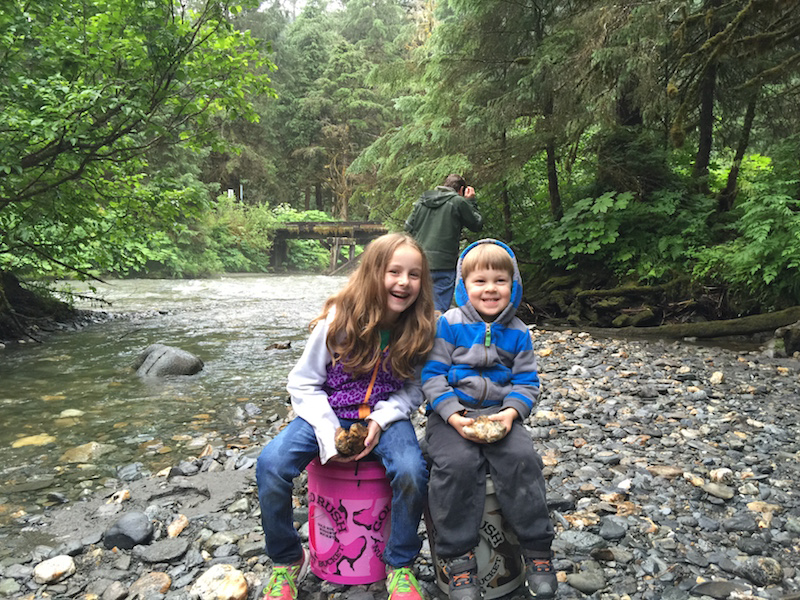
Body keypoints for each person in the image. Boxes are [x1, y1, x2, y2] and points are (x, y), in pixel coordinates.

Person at [255, 233, 437, 600]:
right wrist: (329, 432)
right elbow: (303, 384)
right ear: (372, 273)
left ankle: (399, 564)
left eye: (414, 275)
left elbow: (414, 390)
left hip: (385, 417)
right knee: (270, 464)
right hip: (327, 412)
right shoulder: (338, 322)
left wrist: (381, 420)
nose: (404, 282)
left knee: (412, 472)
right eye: (394, 271)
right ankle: (288, 559)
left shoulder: (420, 328)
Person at [421, 239, 557, 600]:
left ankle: (537, 550)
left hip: (501, 415)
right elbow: (432, 377)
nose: (491, 289)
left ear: (514, 285)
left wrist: (511, 414)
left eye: (500, 280)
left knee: (522, 460)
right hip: (450, 416)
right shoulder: (448, 324)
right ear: (464, 285)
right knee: (457, 464)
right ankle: (459, 560)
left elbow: (527, 383)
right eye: (480, 281)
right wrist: (452, 415)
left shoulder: (519, 332)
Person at [405, 174, 483, 313]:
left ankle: (416, 334)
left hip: (420, 262)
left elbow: (408, 227)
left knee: (416, 308)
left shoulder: (423, 200)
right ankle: (435, 334)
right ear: (461, 190)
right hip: (445, 264)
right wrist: (471, 201)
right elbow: (476, 225)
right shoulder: (458, 201)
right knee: (439, 310)